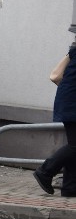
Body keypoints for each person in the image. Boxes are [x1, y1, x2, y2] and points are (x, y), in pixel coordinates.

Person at [34, 43, 76, 197]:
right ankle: (45, 171)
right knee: (74, 146)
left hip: (68, 102)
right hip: (72, 104)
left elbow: (57, 77)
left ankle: (70, 187)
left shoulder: (73, 52)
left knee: (74, 145)